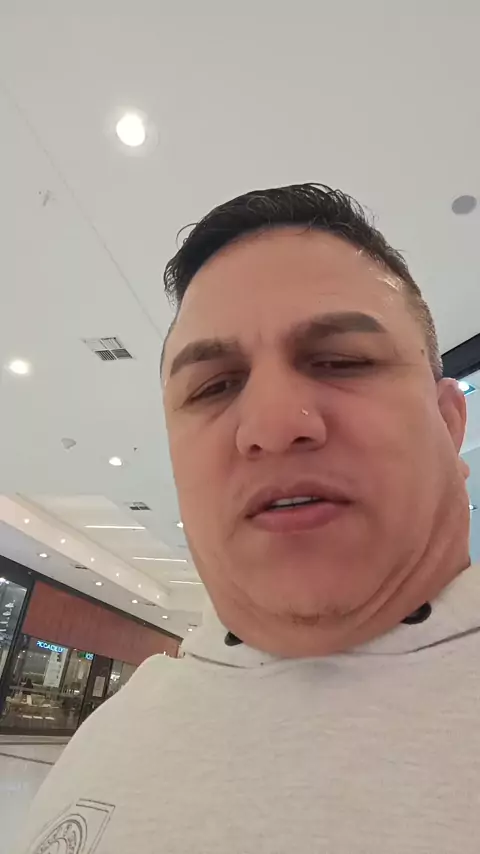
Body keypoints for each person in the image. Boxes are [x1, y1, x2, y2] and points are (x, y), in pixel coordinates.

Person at [18, 184, 478, 853]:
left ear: (449, 422)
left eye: (341, 362)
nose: (273, 425)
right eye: (214, 386)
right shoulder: (107, 739)